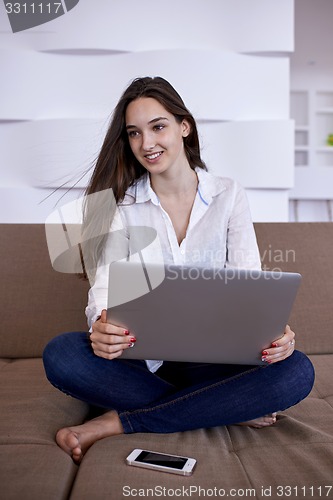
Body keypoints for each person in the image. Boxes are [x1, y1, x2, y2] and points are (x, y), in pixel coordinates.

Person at [43, 76, 315, 464]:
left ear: (183, 126)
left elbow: (252, 288)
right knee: (61, 355)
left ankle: (119, 422)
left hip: (216, 364)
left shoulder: (228, 195)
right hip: (142, 363)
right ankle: (225, 409)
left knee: (298, 370)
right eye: (135, 133)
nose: (146, 144)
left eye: (158, 127)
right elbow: (102, 295)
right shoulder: (118, 206)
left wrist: (276, 337)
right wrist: (101, 328)